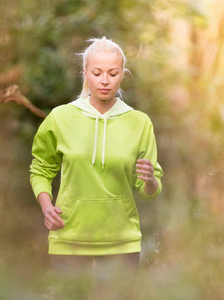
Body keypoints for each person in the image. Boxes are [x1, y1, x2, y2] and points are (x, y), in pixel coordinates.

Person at [29, 36, 163, 299]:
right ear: (85, 74)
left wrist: (150, 180)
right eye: (97, 73)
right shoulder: (61, 117)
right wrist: (46, 207)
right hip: (68, 239)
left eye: (112, 73)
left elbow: (150, 188)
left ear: (122, 75)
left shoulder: (139, 122)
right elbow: (40, 168)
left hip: (121, 242)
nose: (105, 80)